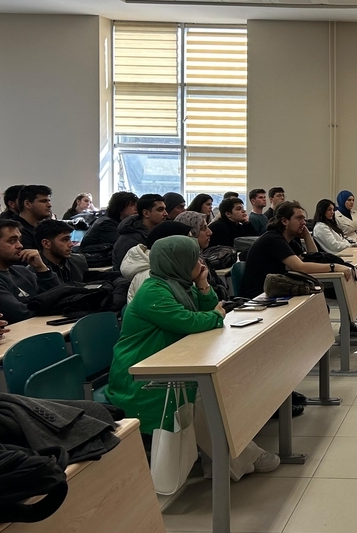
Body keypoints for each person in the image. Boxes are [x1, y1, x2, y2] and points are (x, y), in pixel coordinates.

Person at [106, 236, 281, 476]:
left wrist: (203, 284)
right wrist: (216, 315)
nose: (200, 263)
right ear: (176, 262)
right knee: (203, 396)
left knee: (215, 385)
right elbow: (188, 321)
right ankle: (240, 459)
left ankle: (218, 461)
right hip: (140, 374)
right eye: (194, 259)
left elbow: (206, 309)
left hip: (172, 361)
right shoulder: (153, 290)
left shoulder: (180, 285)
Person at [242, 202, 357, 342]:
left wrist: (307, 235)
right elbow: (300, 267)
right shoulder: (273, 239)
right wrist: (334, 267)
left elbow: (313, 256)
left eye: (304, 218)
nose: (304, 222)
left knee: (344, 289)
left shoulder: (288, 239)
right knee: (325, 301)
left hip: (278, 287)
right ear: (284, 221)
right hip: (262, 294)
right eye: (299, 218)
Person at [0, 218, 59, 324]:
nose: (20, 246)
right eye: (12, 241)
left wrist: (42, 269)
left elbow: (60, 297)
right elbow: (19, 314)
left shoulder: (22, 271)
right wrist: (52, 306)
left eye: (19, 240)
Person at [120, 220, 197, 303]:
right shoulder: (151, 277)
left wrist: (201, 283)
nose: (193, 245)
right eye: (188, 240)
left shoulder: (171, 269)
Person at [112, 194, 168, 270]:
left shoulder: (160, 233)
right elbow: (126, 269)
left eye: (165, 209)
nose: (166, 214)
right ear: (146, 213)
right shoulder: (130, 239)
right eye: (160, 210)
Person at [36, 219, 89, 285]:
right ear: (46, 244)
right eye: (65, 240)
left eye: (70, 239)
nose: (71, 244)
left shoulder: (78, 261)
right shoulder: (34, 271)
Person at [14, 184, 53, 250]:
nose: (49, 205)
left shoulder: (42, 228)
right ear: (27, 204)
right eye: (43, 201)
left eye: (48, 201)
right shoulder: (17, 230)